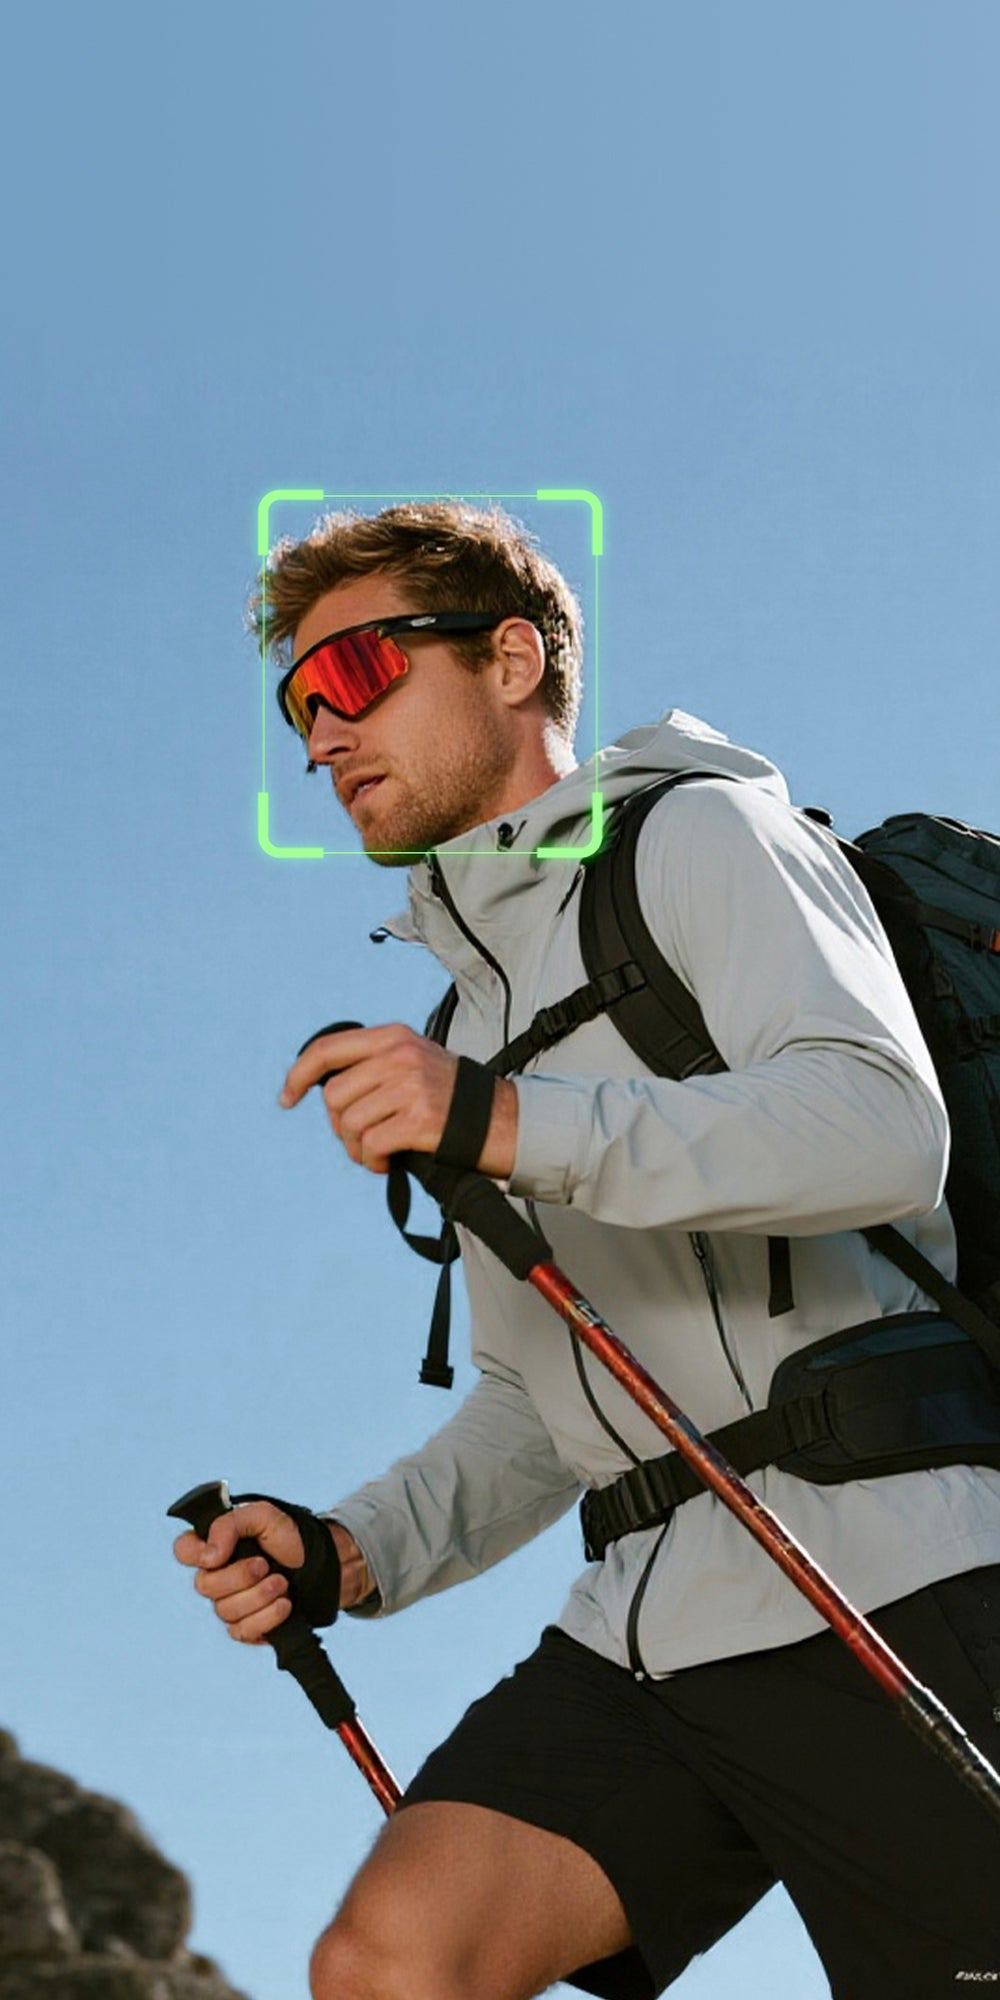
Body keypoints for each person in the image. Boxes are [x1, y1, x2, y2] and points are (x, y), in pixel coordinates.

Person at [174, 502, 1000, 2000]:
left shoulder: (701, 831)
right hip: (648, 1629)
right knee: (391, 1961)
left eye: (355, 676)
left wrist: (500, 1120)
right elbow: (542, 1402)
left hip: (902, 1574)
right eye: (297, 707)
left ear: (508, 659)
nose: (318, 738)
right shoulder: (466, 1020)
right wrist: (354, 1548)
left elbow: (882, 1127)